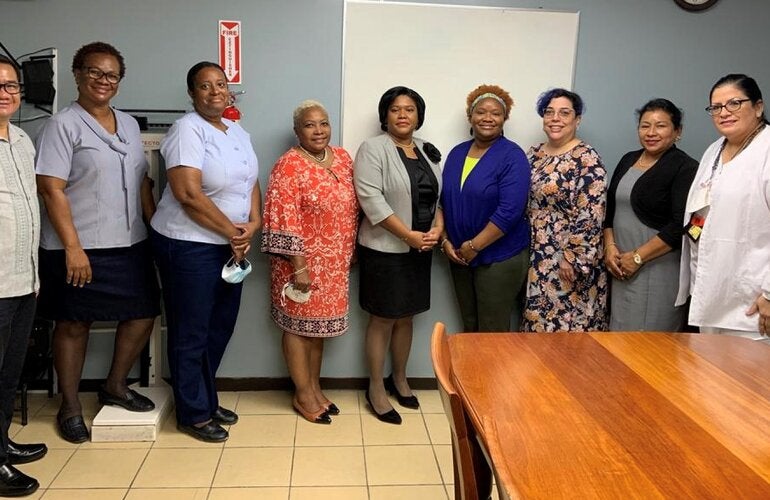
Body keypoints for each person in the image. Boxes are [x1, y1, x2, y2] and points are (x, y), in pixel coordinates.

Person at [35, 42, 159, 444]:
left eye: (112, 75)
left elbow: (141, 180)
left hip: (129, 241)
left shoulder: (128, 125)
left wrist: (153, 227)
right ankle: (70, 405)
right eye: (95, 72)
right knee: (74, 323)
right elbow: (50, 188)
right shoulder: (62, 125)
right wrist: (73, 248)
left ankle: (115, 385)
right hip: (79, 244)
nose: (103, 80)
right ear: (77, 74)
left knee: (143, 312)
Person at [151, 61, 261, 442]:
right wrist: (233, 231)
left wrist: (254, 222)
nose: (215, 92)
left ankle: (206, 398)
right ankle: (193, 413)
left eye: (221, 84)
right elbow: (187, 193)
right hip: (189, 245)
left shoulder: (236, 129)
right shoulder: (187, 130)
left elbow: (250, 180)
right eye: (205, 86)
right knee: (191, 330)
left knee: (219, 327)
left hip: (231, 246)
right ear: (192, 93)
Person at [262, 100, 358, 424]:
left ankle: (315, 389)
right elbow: (283, 218)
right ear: (297, 131)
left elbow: (352, 209)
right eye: (309, 125)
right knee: (298, 329)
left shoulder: (343, 158)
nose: (318, 130)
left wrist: (351, 251)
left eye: (323, 123)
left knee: (317, 330)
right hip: (299, 264)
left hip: (334, 263)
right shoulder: (288, 165)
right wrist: (300, 266)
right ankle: (303, 395)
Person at [354, 86, 442, 425]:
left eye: (409, 109)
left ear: (418, 116)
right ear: (385, 116)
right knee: (383, 319)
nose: (403, 114)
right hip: (385, 250)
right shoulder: (372, 148)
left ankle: (400, 378)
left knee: (407, 317)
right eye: (395, 109)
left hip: (421, 248)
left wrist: (438, 228)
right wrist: (408, 236)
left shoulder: (426, 150)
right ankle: (376, 387)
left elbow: (437, 197)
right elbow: (371, 200)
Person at [676, 73, 770, 340]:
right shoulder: (714, 150)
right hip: (711, 293)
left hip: (753, 304)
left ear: (758, 107)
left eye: (734, 103)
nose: (724, 112)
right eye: (716, 107)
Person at [440, 84, 530, 332]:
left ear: (504, 118)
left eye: (496, 113)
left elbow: (510, 211)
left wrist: (474, 246)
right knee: (469, 327)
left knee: (492, 332)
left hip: (499, 258)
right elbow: (443, 201)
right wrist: (445, 241)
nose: (488, 118)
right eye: (481, 112)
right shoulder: (457, 153)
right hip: (459, 257)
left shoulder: (512, 156)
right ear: (470, 116)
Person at [604, 99, 697, 331]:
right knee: (619, 336)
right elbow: (609, 210)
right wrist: (610, 248)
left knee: (650, 341)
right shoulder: (628, 159)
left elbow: (680, 225)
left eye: (660, 126)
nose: (651, 132)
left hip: (657, 268)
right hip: (620, 267)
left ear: (677, 131)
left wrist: (637, 258)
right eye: (645, 126)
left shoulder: (685, 167)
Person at [523, 88, 608, 332]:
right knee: (537, 324)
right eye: (549, 112)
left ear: (577, 119)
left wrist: (572, 258)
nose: (555, 119)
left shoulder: (586, 158)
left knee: (566, 330)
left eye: (564, 113)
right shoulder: (534, 154)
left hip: (567, 258)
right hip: (536, 254)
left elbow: (591, 213)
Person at [0, 54, 46, 498]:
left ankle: (1, 444)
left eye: (11, 85)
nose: (6, 93)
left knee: (9, 372)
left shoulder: (21, 140)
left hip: (23, 280)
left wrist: (33, 275)